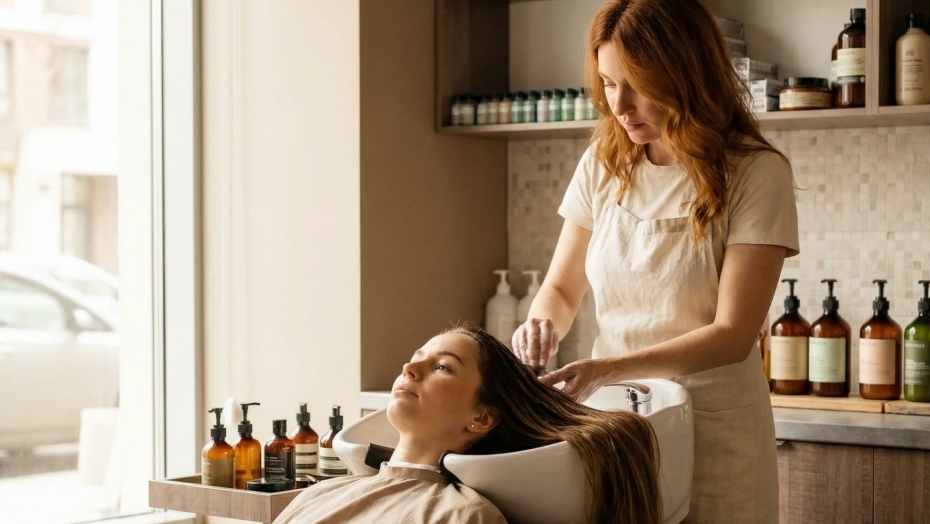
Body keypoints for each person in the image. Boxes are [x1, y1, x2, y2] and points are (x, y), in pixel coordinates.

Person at [510, 1, 800, 523]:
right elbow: (561, 288)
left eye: (638, 85)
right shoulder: (604, 164)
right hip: (619, 427)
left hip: (716, 431)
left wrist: (606, 368)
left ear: (687, 74)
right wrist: (540, 325)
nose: (620, 106)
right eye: (608, 83)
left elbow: (734, 334)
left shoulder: (756, 173)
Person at [274, 326, 661, 524]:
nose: (409, 367)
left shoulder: (463, 516)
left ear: (482, 417)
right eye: (416, 357)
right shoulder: (319, 495)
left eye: (442, 366)